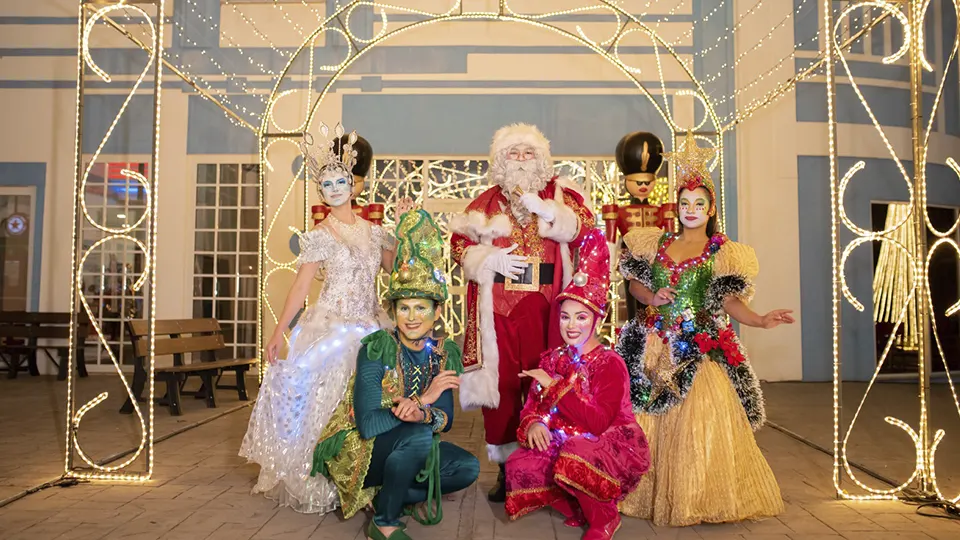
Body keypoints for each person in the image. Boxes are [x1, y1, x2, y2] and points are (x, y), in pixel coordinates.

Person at [616, 132, 794, 526]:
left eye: (699, 204)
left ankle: (696, 498)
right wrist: (652, 297)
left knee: (698, 433)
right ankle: (644, 493)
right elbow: (634, 285)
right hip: (654, 351)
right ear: (675, 207)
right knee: (646, 424)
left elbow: (730, 303)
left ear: (711, 208)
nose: (690, 210)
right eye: (684, 203)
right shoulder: (654, 243)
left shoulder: (723, 253)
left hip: (698, 354)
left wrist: (761, 319)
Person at [239, 124, 407, 514]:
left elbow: (395, 268)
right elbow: (299, 289)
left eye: (340, 182)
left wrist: (403, 228)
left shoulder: (375, 232)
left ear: (354, 186)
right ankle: (322, 474)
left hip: (371, 328)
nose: (333, 189)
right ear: (321, 190)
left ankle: (370, 473)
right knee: (318, 398)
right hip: (331, 326)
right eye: (325, 184)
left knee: (373, 402)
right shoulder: (319, 235)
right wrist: (279, 333)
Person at [312, 209, 480, 540]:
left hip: (407, 446)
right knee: (417, 436)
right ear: (394, 311)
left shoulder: (443, 353)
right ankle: (385, 521)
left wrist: (424, 412)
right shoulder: (377, 348)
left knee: (467, 467)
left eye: (421, 308)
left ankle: (390, 494)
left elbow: (445, 419)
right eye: (404, 307)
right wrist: (423, 402)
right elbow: (368, 423)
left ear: (437, 312)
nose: (412, 317)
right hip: (363, 451)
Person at [450, 123, 594, 502]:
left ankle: (549, 468)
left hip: (549, 310)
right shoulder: (483, 204)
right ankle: (507, 469)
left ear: (541, 159)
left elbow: (587, 230)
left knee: (547, 382)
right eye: (513, 154)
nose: (521, 160)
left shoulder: (561, 197)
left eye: (528, 153)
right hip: (498, 312)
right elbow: (457, 246)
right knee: (505, 389)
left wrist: (550, 213)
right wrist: (487, 257)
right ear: (500, 160)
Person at [505, 229, 650, 540]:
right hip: (567, 438)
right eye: (565, 317)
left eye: (581, 317)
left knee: (575, 451)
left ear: (597, 320)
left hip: (612, 443)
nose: (571, 326)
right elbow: (532, 408)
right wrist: (534, 424)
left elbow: (597, 423)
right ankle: (577, 506)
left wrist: (555, 387)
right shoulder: (553, 358)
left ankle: (605, 517)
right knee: (521, 461)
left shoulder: (609, 363)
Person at [602, 131, 676, 321]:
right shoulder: (618, 211)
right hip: (631, 265)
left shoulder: (662, 210)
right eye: (638, 182)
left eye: (647, 181)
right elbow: (610, 241)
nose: (643, 185)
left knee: (661, 307)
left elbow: (671, 239)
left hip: (658, 263)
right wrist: (608, 269)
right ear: (627, 181)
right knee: (635, 310)